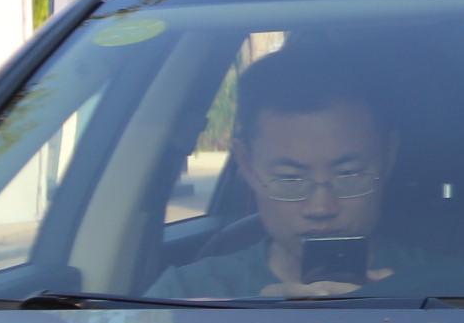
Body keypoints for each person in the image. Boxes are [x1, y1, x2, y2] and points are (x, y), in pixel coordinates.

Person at [154, 47, 400, 299]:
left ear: (387, 157)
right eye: (290, 178)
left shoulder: (436, 290)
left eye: (348, 175)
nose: (321, 208)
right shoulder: (188, 296)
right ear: (247, 166)